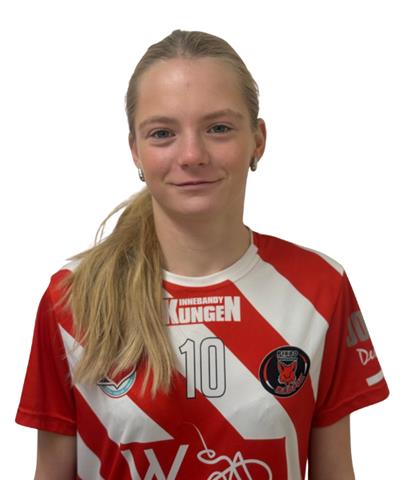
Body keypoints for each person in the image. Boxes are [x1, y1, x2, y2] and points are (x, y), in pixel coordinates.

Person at [16, 29, 389, 480]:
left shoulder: (319, 287)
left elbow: (336, 471)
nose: (192, 154)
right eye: (162, 133)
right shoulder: (73, 297)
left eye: (218, 128)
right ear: (135, 151)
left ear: (258, 140)